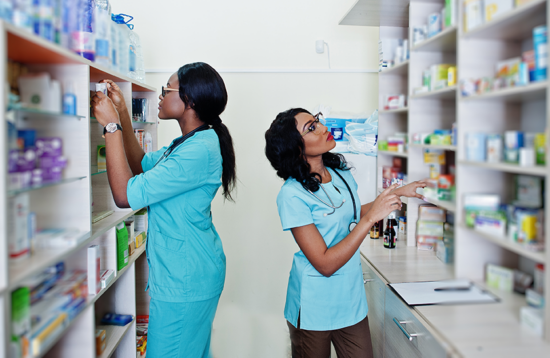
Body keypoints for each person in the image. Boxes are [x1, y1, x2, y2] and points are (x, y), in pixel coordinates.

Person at [90, 62, 236, 358]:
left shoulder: (199, 150)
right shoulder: (190, 142)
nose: (160, 96)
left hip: (185, 280)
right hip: (187, 272)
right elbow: (142, 165)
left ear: (190, 101)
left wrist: (111, 127)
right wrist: (122, 118)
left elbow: (123, 194)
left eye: (166, 90)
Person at [264, 108, 426, 358]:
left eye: (316, 120)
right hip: (313, 306)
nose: (322, 126)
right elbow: (325, 263)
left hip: (350, 301)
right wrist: (372, 218)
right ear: (295, 147)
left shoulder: (339, 172)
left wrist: (398, 193)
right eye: (311, 127)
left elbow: (352, 212)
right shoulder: (292, 195)